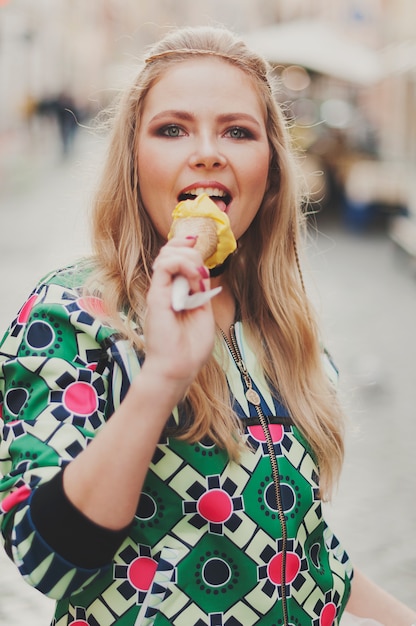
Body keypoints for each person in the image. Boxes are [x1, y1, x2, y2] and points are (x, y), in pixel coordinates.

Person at [0, 25, 414, 626]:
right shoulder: (72, 314)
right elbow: (51, 556)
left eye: (238, 132)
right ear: (133, 160)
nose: (208, 152)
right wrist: (163, 376)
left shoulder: (279, 330)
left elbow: (307, 560)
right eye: (172, 129)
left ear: (269, 170)